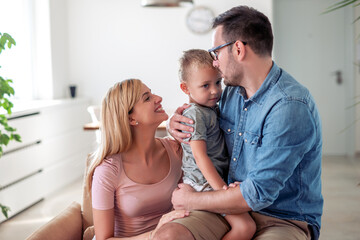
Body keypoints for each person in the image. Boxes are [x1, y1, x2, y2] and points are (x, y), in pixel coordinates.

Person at [156, 5, 323, 240]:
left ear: (238, 49)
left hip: (280, 217)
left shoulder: (289, 105)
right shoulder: (229, 94)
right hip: (226, 205)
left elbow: (257, 195)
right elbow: (202, 117)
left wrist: (190, 199)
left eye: (216, 52)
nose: (214, 62)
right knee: (170, 235)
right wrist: (177, 122)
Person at [86, 79, 190, 240]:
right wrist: (154, 235)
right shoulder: (108, 170)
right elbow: (103, 239)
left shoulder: (175, 151)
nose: (159, 98)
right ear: (130, 119)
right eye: (147, 98)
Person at [175, 49, 255, 240]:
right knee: (245, 227)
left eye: (218, 82)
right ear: (186, 89)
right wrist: (222, 191)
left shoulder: (211, 109)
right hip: (203, 183)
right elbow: (200, 157)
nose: (215, 90)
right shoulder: (195, 114)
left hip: (213, 180)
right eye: (205, 85)